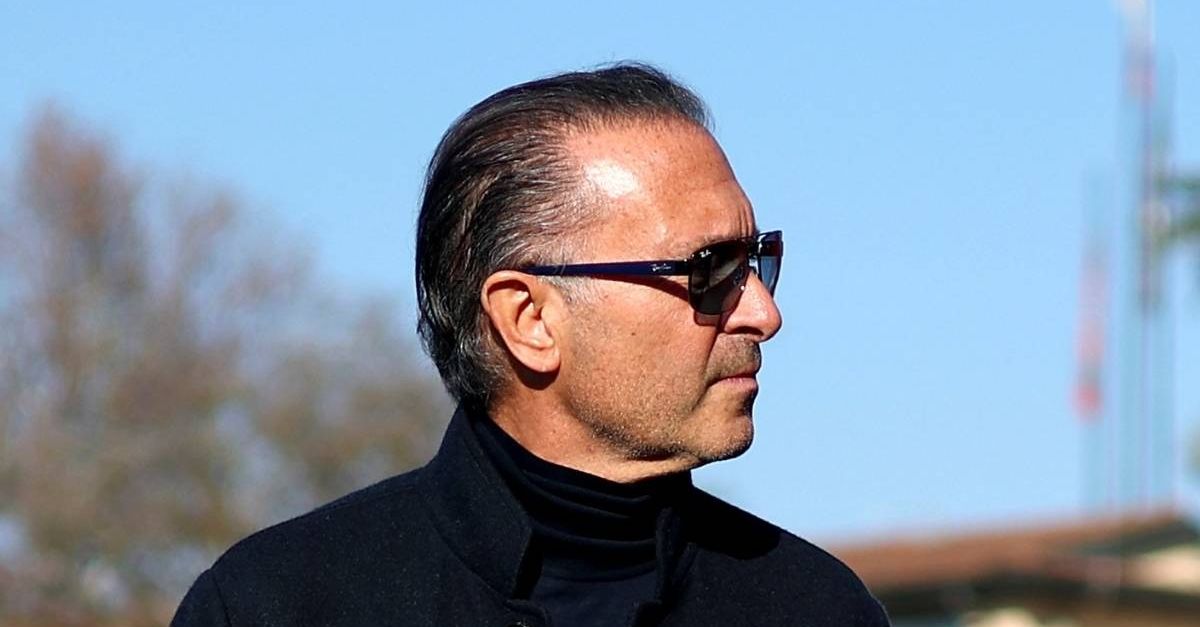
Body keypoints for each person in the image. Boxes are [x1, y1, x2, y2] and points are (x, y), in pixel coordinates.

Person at [173, 62, 889, 627]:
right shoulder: (278, 605)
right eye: (710, 270)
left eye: (755, 261)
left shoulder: (817, 608)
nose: (763, 313)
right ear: (529, 319)